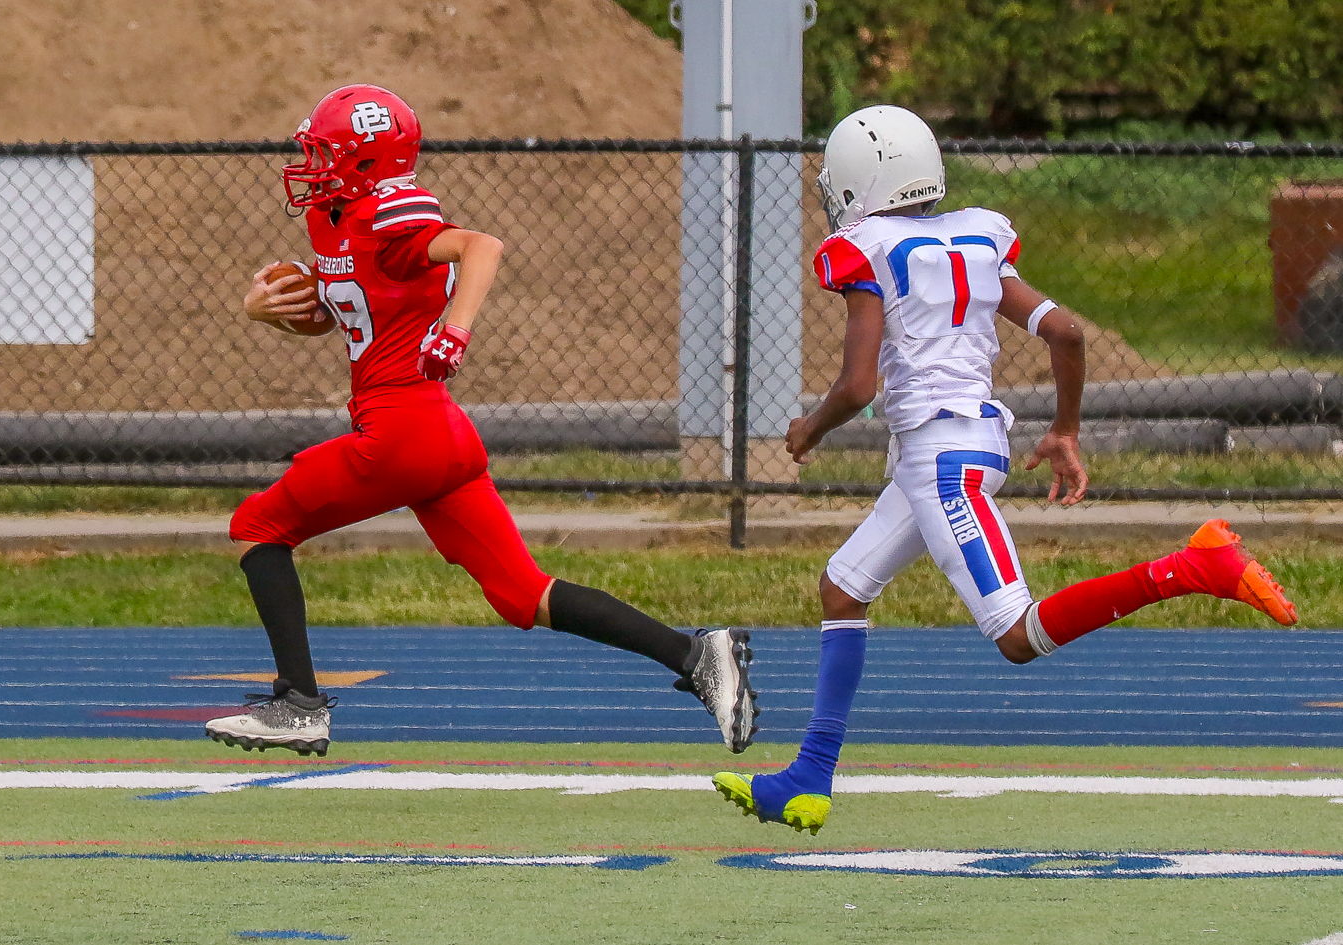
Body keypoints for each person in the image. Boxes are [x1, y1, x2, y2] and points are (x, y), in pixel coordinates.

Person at [712, 104, 1297, 834]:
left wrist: (809, 428)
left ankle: (1192, 567)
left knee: (1017, 636)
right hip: (958, 449)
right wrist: (1065, 430)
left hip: (942, 462)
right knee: (843, 587)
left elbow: (859, 385)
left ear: (859, 181)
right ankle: (810, 775)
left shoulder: (866, 248)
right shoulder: (977, 235)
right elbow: (1066, 332)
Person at [204, 85, 758, 758]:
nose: (312, 166)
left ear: (365, 161)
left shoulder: (387, 212)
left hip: (401, 432)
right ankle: (696, 656)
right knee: (523, 594)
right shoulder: (334, 216)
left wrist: (455, 330)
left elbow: (481, 246)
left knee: (258, 524)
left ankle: (298, 705)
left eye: (327, 153)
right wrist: (268, 312)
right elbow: (350, 316)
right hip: (439, 435)